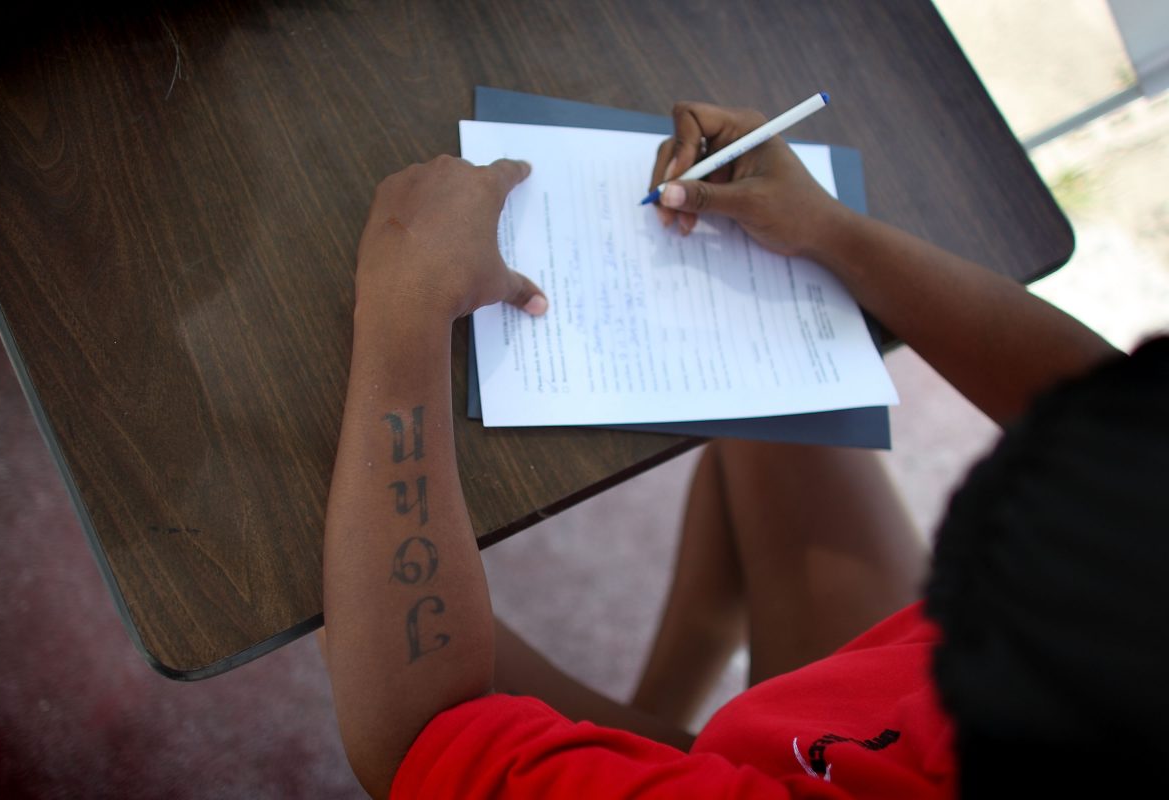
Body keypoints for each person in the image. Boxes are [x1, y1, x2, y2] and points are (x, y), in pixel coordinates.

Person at [322, 101, 1165, 798]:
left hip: (810, 762)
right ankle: (664, 721)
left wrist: (408, 296)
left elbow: (411, 738)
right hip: (852, 722)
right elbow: (1097, 397)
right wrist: (831, 231)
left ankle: (663, 750)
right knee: (780, 420)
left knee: (341, 595)